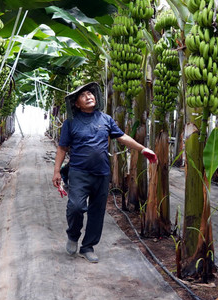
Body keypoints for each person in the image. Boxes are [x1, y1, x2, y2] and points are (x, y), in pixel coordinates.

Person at [52, 82, 156, 263]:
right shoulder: (71, 123)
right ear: (76, 103)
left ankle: (88, 246)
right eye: (83, 95)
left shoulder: (105, 119)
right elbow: (62, 148)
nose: (89, 96)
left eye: (90, 93)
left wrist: (142, 149)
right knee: (75, 207)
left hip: (101, 173)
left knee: (97, 211)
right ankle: (73, 235)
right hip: (78, 172)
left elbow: (122, 137)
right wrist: (56, 172)